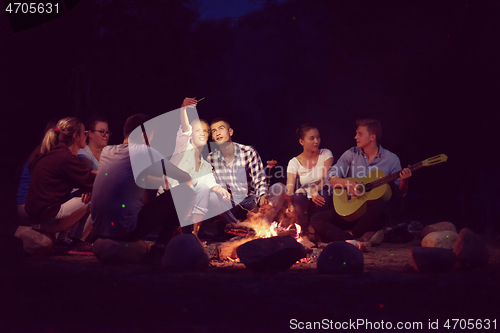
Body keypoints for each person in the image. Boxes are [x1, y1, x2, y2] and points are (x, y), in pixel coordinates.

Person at [89, 114, 194, 261]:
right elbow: (185, 178)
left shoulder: (107, 151)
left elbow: (130, 177)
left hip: (99, 229)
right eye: (152, 136)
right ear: (144, 135)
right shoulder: (145, 152)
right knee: (186, 192)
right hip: (126, 230)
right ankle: (160, 247)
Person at [310, 119, 412, 244]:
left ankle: (348, 236)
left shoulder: (391, 159)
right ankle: (352, 239)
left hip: (372, 214)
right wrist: (347, 183)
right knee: (316, 219)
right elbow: (331, 176)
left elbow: (397, 194)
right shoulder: (351, 154)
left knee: (381, 205)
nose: (355, 137)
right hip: (351, 210)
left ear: (372, 137)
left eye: (359, 134)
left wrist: (404, 182)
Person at [167, 98, 230, 236]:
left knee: (203, 188)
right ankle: (180, 230)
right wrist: (183, 109)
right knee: (189, 188)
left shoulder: (206, 165)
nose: (203, 133)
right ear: (191, 135)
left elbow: (210, 183)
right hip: (169, 201)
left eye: (206, 131)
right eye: (198, 130)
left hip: (187, 206)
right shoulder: (183, 148)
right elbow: (185, 128)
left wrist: (222, 191)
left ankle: (194, 232)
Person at [25, 117, 95, 236]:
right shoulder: (64, 157)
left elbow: (84, 179)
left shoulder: (56, 152)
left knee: (84, 193)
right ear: (75, 137)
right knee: (96, 198)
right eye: (84, 133)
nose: (87, 135)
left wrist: (87, 187)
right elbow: (92, 180)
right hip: (46, 219)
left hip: (38, 218)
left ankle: (65, 240)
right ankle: (77, 241)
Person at [207, 117, 267, 231]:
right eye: (214, 131)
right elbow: (210, 184)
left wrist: (262, 198)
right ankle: (237, 225)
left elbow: (259, 180)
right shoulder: (211, 158)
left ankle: (255, 226)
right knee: (212, 197)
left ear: (230, 132)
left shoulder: (248, 152)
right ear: (213, 138)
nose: (217, 133)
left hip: (249, 198)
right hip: (229, 202)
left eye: (221, 128)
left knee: (273, 195)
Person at [285, 123, 334, 248]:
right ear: (302, 141)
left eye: (318, 137)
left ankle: (319, 236)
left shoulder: (326, 154)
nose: (316, 141)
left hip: (323, 196)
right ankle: (304, 236)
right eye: (312, 138)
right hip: (304, 202)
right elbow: (290, 187)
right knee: (298, 194)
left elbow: (327, 179)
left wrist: (314, 190)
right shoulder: (294, 162)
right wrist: (289, 204)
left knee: (322, 193)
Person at [16, 118, 58, 226]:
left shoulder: (41, 150)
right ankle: (72, 239)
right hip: (29, 209)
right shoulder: (47, 154)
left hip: (26, 206)